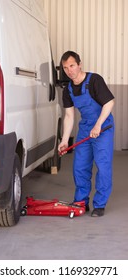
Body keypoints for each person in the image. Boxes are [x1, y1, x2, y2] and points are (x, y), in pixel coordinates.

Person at [58, 51, 115, 217]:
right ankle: (81, 201)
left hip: (103, 126)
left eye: (72, 65)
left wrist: (98, 125)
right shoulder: (67, 89)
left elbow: (109, 102)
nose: (69, 70)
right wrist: (64, 140)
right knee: (80, 166)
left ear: (79, 64)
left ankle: (100, 204)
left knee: (103, 166)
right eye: (66, 67)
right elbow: (69, 116)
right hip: (85, 128)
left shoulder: (94, 80)